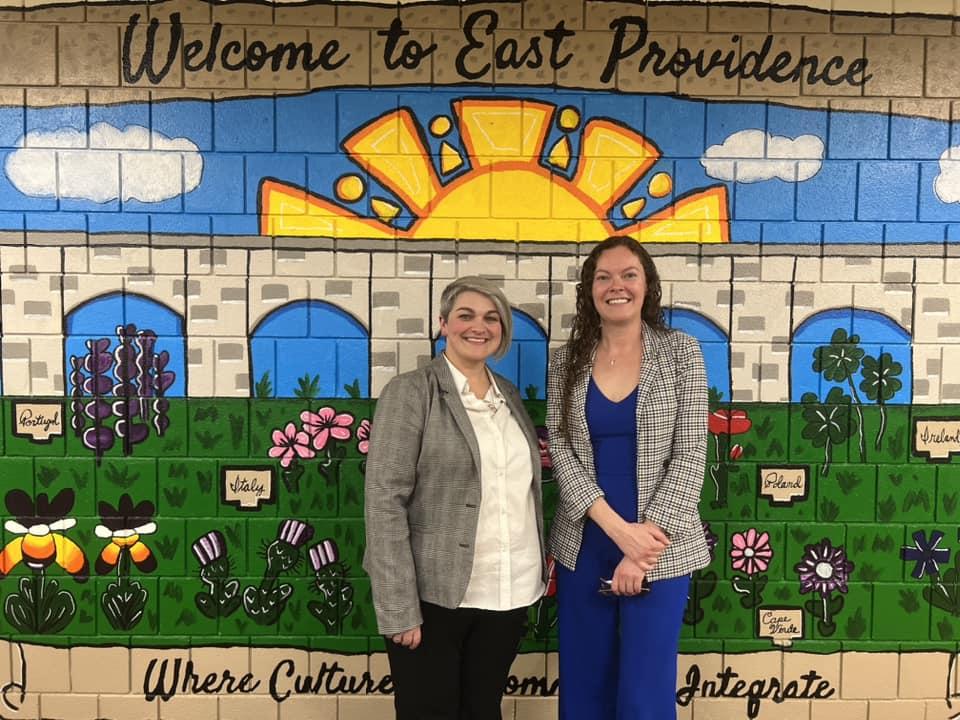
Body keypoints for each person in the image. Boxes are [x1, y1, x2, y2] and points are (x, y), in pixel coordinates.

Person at [364, 276, 547, 720]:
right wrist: (398, 608)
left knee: (483, 710)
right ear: (443, 323)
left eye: (491, 318)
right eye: (465, 315)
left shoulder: (509, 397)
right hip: (433, 599)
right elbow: (384, 502)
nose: (478, 326)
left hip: (507, 593)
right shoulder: (411, 393)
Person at [547, 236, 710, 720]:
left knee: (645, 695)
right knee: (583, 690)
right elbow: (561, 445)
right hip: (584, 544)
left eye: (628, 274)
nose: (616, 285)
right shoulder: (565, 360)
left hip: (662, 549)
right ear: (589, 289)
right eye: (604, 277)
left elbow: (691, 451)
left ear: (647, 285)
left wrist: (641, 549)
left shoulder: (681, 352)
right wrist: (619, 533)